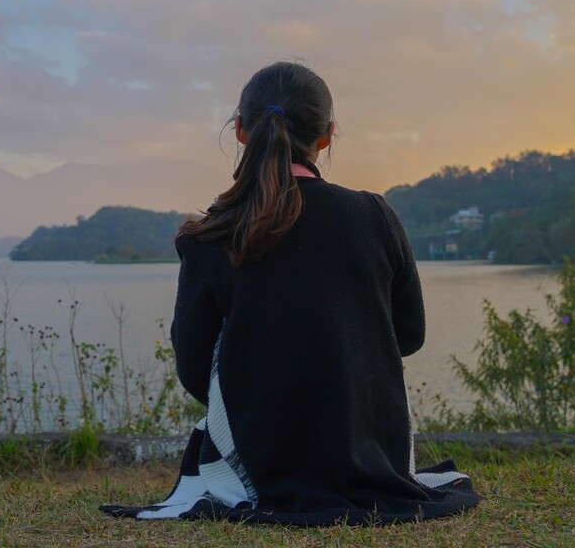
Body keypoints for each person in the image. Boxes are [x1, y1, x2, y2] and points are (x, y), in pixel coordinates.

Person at [101, 61, 478, 526]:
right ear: (327, 136)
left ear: (240, 130)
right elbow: (409, 334)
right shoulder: (374, 216)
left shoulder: (210, 236)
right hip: (366, 447)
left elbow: (194, 367)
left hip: (259, 459)